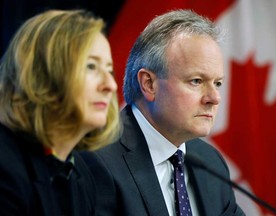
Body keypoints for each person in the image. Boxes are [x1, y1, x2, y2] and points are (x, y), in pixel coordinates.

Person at [81, 9, 245, 216]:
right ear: (149, 84)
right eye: (196, 81)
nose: (214, 98)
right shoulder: (96, 159)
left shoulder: (210, 162)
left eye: (218, 83)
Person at [0, 9, 120, 216]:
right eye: (91, 66)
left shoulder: (82, 174)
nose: (110, 85)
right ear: (43, 73)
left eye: (109, 70)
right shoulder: (5, 166)